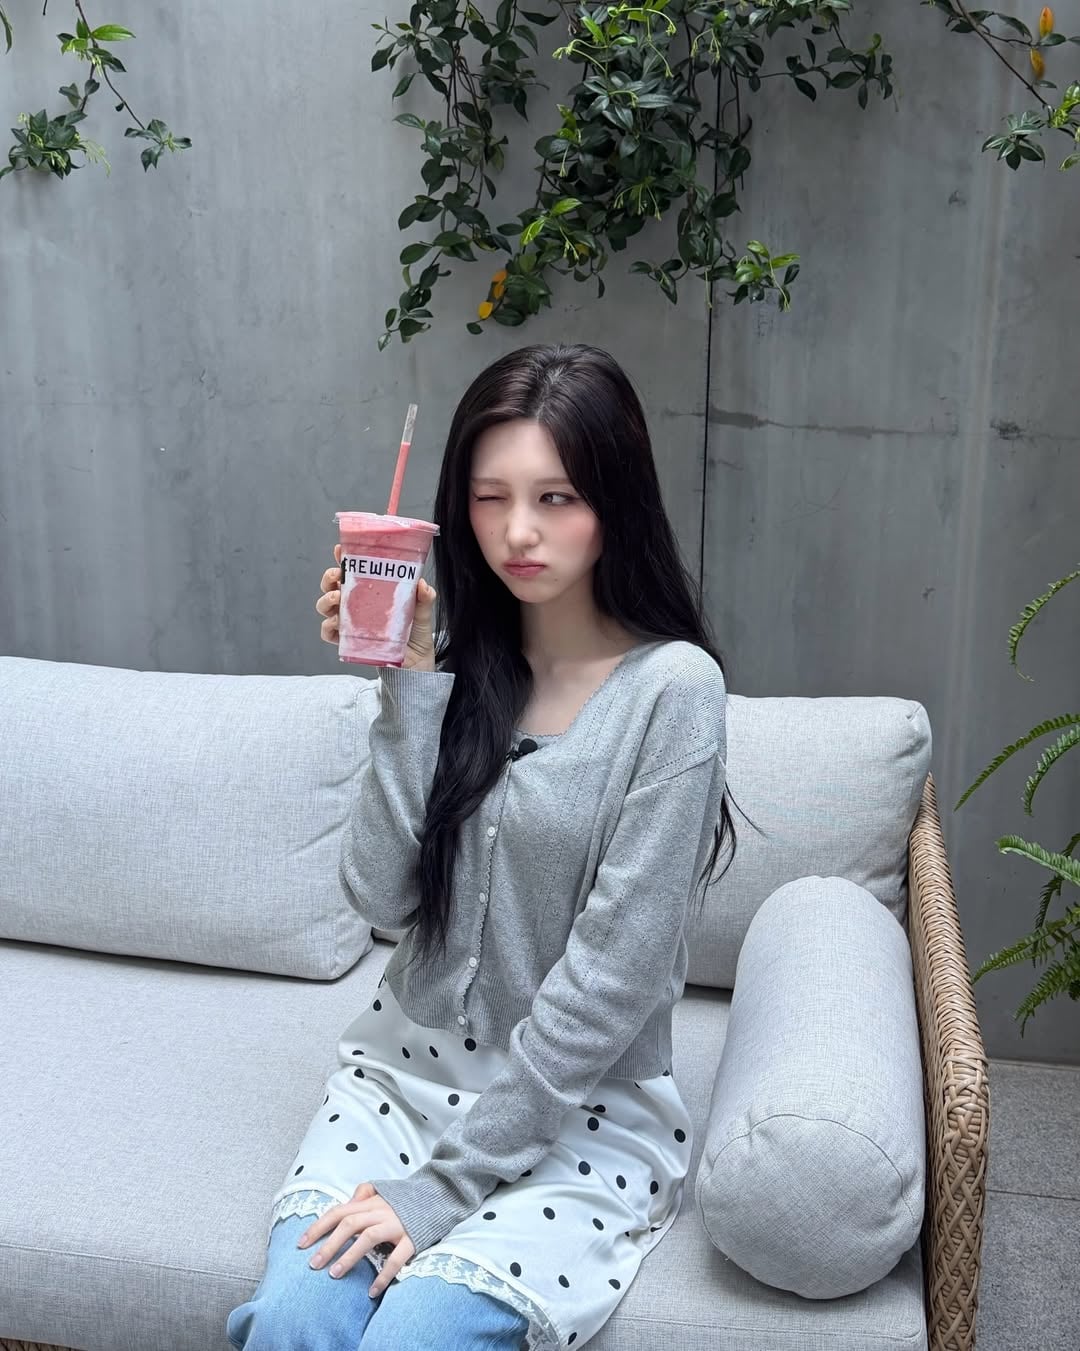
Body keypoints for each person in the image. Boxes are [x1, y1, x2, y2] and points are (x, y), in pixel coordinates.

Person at [225, 342, 742, 1351]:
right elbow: (379, 897)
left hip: (579, 1119)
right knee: (291, 1321)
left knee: (414, 1337)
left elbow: (611, 984)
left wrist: (441, 1190)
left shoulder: (675, 692)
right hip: (399, 1088)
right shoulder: (461, 675)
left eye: (556, 498)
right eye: (489, 497)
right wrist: (408, 682)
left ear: (616, 501)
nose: (517, 531)